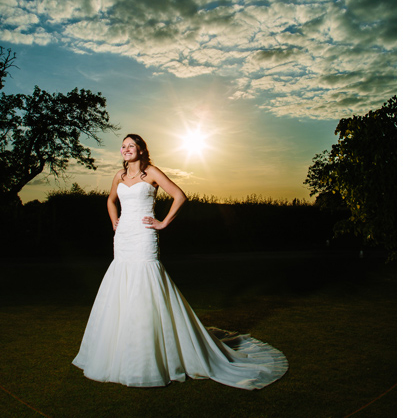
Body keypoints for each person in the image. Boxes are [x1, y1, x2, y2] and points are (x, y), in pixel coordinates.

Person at [72, 134, 288, 389]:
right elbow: (110, 201)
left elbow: (179, 195)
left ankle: (150, 354)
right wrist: (114, 222)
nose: (126, 149)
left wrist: (162, 223)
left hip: (143, 237)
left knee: (146, 285)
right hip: (123, 239)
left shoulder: (151, 172)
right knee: (121, 286)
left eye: (131, 145)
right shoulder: (119, 176)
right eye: (123, 146)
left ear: (141, 150)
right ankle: (119, 351)